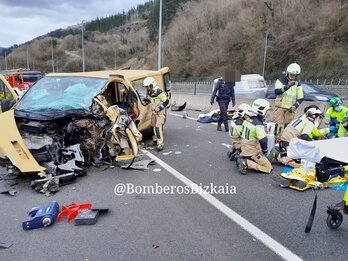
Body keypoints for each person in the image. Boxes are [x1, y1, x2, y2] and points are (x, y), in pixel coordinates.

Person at [237, 99, 273, 175]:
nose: (268, 113)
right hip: (252, 152)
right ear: (261, 110)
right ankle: (246, 163)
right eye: (267, 111)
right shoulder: (258, 124)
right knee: (268, 168)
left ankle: (244, 159)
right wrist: (265, 151)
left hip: (244, 149)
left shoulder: (248, 120)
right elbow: (263, 140)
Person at [273, 63, 304, 137]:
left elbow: (300, 98)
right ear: (287, 73)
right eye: (291, 75)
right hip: (280, 108)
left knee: (288, 128)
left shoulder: (297, 84)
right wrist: (287, 86)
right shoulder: (280, 81)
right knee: (278, 128)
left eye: (294, 76)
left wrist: (295, 106)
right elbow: (277, 92)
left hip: (290, 110)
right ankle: (277, 141)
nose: (292, 77)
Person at [143, 76, 169, 151]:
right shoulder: (150, 93)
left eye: (147, 87)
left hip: (160, 112)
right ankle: (155, 140)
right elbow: (151, 100)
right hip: (154, 112)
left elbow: (166, 101)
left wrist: (159, 108)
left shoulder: (159, 92)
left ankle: (160, 143)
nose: (146, 89)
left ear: (151, 86)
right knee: (153, 126)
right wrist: (146, 100)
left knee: (158, 127)